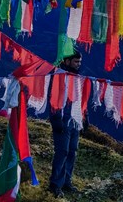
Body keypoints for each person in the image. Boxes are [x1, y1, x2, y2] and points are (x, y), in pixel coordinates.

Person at [48, 50, 82, 197]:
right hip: (62, 119)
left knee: (72, 152)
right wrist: (55, 118)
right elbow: (53, 97)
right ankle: (55, 184)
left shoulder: (78, 78)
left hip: (75, 120)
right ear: (67, 62)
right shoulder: (58, 76)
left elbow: (81, 99)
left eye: (79, 62)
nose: (78, 65)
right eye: (76, 61)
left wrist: (84, 117)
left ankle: (66, 181)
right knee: (62, 152)